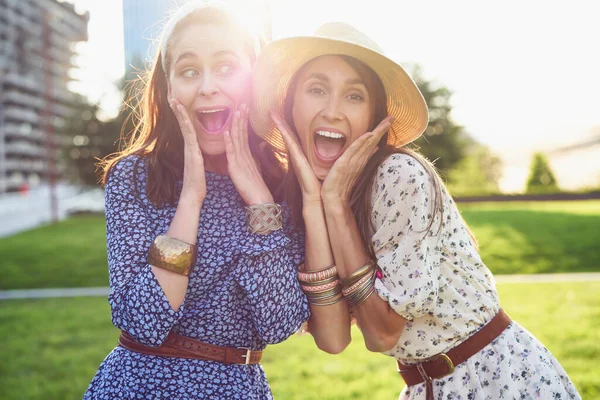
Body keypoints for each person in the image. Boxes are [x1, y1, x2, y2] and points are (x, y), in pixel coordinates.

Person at [250, 22, 581, 400]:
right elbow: (334, 338)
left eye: (354, 96)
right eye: (316, 90)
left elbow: (382, 333)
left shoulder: (400, 175)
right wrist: (315, 205)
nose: (333, 111)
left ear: (374, 117)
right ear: (290, 106)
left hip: (494, 376)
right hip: (426, 386)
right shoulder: (306, 198)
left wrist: (337, 207)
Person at [84, 2, 309, 399]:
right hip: (138, 386)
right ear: (168, 88)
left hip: (239, 387)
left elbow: (281, 323)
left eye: (226, 67)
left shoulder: (282, 185)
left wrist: (258, 200)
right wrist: (191, 199)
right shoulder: (135, 178)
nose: (207, 86)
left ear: (255, 78)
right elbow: (143, 321)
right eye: (189, 71)